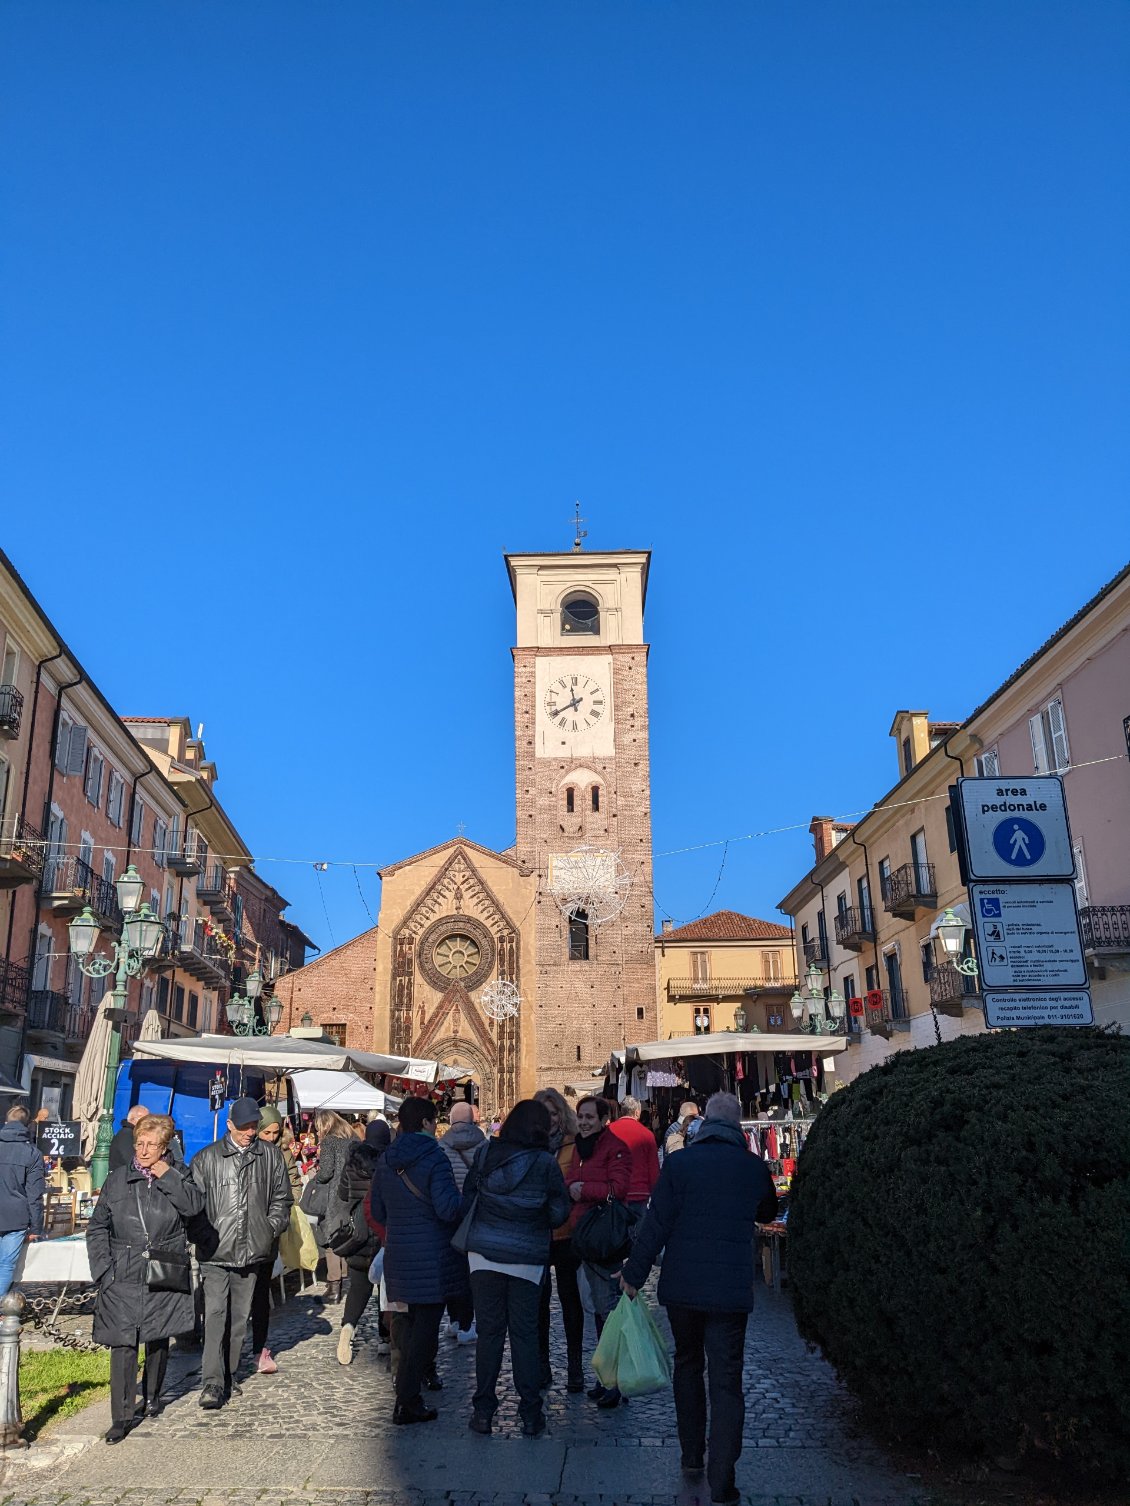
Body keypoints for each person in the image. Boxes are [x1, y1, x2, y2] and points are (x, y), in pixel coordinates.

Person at [620, 1092, 778, 1506]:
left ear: (704, 1122)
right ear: (738, 1124)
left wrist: (634, 1275)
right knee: (726, 1382)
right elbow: (766, 1212)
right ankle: (722, 1477)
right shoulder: (751, 1166)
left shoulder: (680, 1164)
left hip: (683, 1288)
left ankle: (692, 1456)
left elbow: (656, 1225)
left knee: (687, 1367)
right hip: (729, 1291)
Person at [86, 1113, 205, 1443]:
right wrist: (103, 1270)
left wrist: (166, 1175)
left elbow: (194, 1207)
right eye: (140, 1143)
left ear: (165, 1146)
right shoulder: (117, 1180)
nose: (144, 1150)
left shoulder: (179, 1174)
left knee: (158, 1334)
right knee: (123, 1343)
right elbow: (97, 1227)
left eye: (152, 1144)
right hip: (121, 1271)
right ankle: (120, 1417)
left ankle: (153, 1395)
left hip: (164, 1264)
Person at [459, 1098, 569, 1438]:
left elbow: (467, 1198)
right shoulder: (544, 1163)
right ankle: (531, 1415)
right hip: (526, 1258)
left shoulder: (484, 1154)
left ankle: (482, 1413)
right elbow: (558, 1212)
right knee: (524, 1335)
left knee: (489, 1334)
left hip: (483, 1255)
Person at [189, 1096, 292, 1410]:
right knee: (216, 1316)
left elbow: (282, 1199)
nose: (249, 1132)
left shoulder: (270, 1157)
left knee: (237, 1321)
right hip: (215, 1252)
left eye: (253, 1126)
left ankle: (229, 1375)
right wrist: (205, 1236)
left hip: (251, 1251)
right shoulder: (206, 1159)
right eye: (244, 1126)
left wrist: (268, 1228)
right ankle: (212, 1383)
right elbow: (193, 1206)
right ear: (230, 1124)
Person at [370, 1096, 465, 1425]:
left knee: (406, 1326)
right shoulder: (435, 1158)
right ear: (427, 1123)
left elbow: (378, 1211)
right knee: (426, 1331)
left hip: (399, 1256)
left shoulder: (386, 1160)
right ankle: (407, 1400)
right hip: (432, 1259)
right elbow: (447, 1208)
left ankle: (406, 1394)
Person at [565, 1096, 629, 1408]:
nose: (585, 1121)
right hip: (583, 1235)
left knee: (608, 1311)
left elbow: (618, 1189)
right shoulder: (581, 1146)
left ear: (604, 1119)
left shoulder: (614, 1146)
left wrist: (583, 1190)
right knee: (599, 1311)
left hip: (603, 1239)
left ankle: (615, 1381)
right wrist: (570, 1188)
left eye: (590, 1116)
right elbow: (571, 1180)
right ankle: (606, 1378)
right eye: (581, 1116)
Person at [533, 1087, 585, 1393]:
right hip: (538, 1233)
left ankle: (575, 1367)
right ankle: (542, 1365)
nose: (550, 1119)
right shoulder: (530, 1146)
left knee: (570, 1301)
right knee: (539, 1303)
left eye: (554, 1113)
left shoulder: (574, 1145)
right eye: (544, 1114)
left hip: (566, 1232)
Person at [249, 1105, 301, 1375]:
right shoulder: (245, 1151)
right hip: (241, 1233)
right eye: (266, 1131)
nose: (270, 1136)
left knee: (260, 1292)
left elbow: (293, 1187)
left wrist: (277, 1220)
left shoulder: (282, 1153)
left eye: (275, 1132)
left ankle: (260, 1348)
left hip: (267, 1233)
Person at [333, 1119, 389, 1366]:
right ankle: (385, 1339)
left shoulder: (353, 1162)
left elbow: (342, 1195)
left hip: (360, 1233)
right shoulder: (391, 1163)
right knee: (385, 1290)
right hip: (384, 1231)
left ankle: (347, 1329)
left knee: (358, 1287)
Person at [439, 1102, 485, 1344]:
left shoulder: (441, 1146)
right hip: (475, 1214)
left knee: (452, 1269)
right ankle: (468, 1324)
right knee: (471, 1271)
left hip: (450, 1214)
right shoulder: (483, 1145)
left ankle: (455, 1320)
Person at [303, 1109, 354, 1304]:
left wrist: (315, 1175)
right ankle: (344, 1276)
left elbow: (326, 1173)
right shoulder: (353, 1141)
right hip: (350, 1193)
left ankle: (334, 1287)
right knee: (345, 1236)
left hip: (333, 1196)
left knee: (331, 1239)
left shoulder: (329, 1142)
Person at [0, 1104, 44, 1298]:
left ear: (6, 1122)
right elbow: (34, 1194)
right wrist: (36, 1227)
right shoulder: (32, 1153)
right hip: (16, 1216)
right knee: (6, 1264)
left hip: (14, 1215)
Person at [609, 1095, 660, 1217]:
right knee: (639, 1233)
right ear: (637, 1112)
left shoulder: (608, 1132)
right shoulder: (647, 1135)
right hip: (640, 1193)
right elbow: (653, 1168)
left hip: (614, 1193)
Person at [108, 1104, 149, 1173]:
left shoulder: (132, 1134)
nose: (148, 1123)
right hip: (122, 1178)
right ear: (134, 1119)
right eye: (146, 1120)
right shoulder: (126, 1134)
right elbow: (131, 1159)